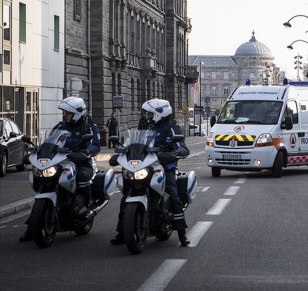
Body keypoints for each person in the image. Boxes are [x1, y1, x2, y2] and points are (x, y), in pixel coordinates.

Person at [111, 99, 190, 246]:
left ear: (159, 113)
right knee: (127, 194)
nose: (147, 116)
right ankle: (122, 231)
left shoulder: (171, 128)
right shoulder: (145, 126)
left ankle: (181, 233)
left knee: (173, 193)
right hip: (145, 165)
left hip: (164, 167)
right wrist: (125, 150)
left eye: (150, 113)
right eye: (146, 113)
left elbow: (183, 147)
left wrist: (176, 153)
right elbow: (135, 143)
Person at [20, 96, 100, 242]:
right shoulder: (60, 126)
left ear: (77, 113)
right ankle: (32, 227)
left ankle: (87, 206)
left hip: (81, 162)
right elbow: (50, 141)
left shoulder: (89, 127)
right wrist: (39, 150)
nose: (65, 115)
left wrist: (87, 152)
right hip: (60, 161)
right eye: (65, 113)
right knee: (44, 182)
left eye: (68, 113)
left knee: (82, 177)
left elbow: (96, 144)